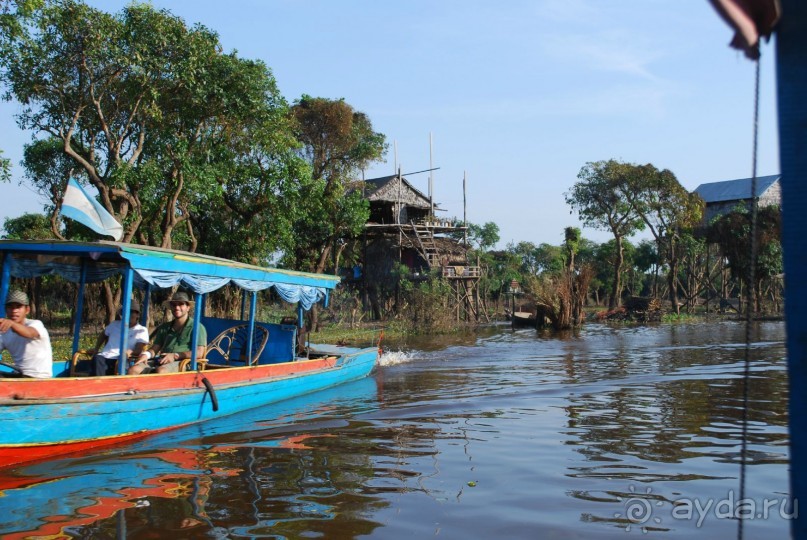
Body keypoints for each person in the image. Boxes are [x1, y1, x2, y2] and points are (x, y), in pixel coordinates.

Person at [128, 291, 206, 375]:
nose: (177, 307)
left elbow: (199, 353)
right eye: (174, 305)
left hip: (184, 363)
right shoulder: (165, 327)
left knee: (161, 371)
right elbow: (155, 348)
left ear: (188, 307)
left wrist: (175, 355)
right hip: (162, 361)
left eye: (181, 304)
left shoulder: (197, 327)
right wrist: (146, 355)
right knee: (133, 369)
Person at [0, 289, 53, 378]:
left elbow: (29, 333)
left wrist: (12, 324)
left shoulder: (36, 324)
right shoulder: (4, 332)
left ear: (27, 310)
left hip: (38, 377)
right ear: (6, 309)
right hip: (18, 374)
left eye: (18, 306)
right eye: (11, 307)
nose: (14, 311)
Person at [88, 301, 149, 376]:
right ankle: (97, 384)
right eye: (126, 312)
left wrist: (130, 352)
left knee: (103, 366)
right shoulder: (114, 324)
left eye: (131, 312)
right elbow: (103, 334)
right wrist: (96, 348)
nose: (128, 315)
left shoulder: (141, 330)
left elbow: (139, 349)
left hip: (121, 359)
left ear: (137, 315)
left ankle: (99, 384)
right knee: (97, 358)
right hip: (104, 357)